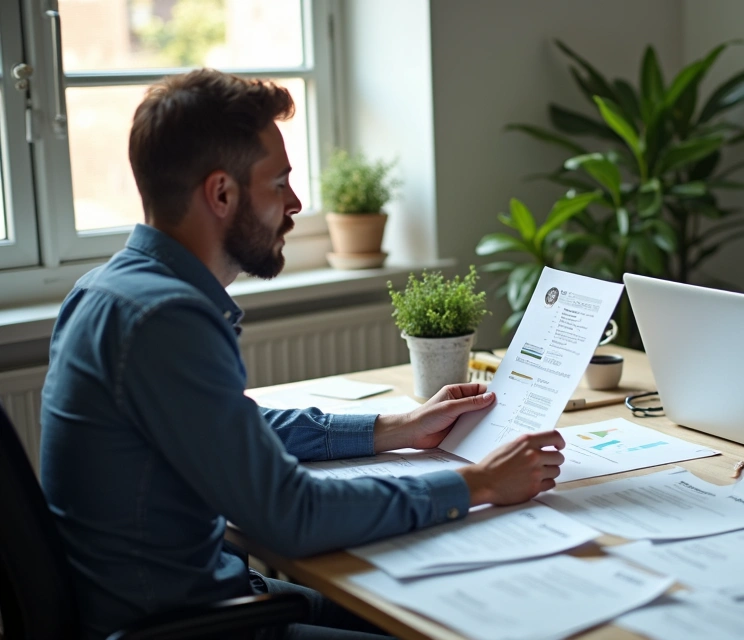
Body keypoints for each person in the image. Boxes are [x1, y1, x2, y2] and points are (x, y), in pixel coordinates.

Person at [39, 69, 564, 640]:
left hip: (207, 598)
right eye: (279, 182)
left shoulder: (109, 289)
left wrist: (396, 428)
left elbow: (236, 426)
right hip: (189, 628)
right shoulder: (166, 319)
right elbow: (294, 515)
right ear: (221, 194)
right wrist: (478, 484)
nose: (295, 203)